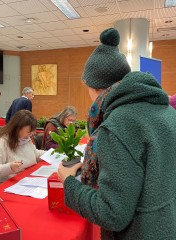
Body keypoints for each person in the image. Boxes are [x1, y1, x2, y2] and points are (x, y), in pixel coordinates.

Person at [57, 28, 176, 239]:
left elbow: (112, 213)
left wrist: (69, 183)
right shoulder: (166, 111)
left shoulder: (118, 125)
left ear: (94, 88)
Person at [0, 110, 46, 187]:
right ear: (17, 129)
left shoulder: (25, 139)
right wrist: (9, 167)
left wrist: (52, 153)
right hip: (8, 186)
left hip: (26, 181)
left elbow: (34, 153)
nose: (31, 135)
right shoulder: (1, 143)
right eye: (28, 132)